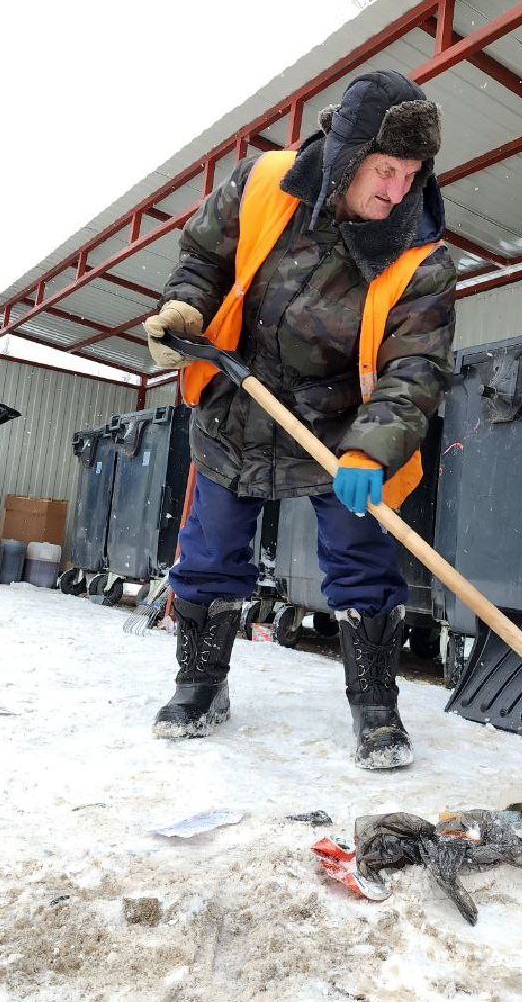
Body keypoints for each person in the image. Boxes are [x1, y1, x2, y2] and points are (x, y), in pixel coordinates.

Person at [143, 70, 455, 770]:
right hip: (236, 402)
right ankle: (199, 686)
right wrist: (188, 308)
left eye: (411, 175)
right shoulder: (264, 184)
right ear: (345, 155)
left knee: (362, 560)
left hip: (342, 428)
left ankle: (376, 708)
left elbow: (416, 368)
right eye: (384, 171)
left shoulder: (422, 256)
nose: (397, 191)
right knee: (211, 551)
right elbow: (203, 256)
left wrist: (372, 452)